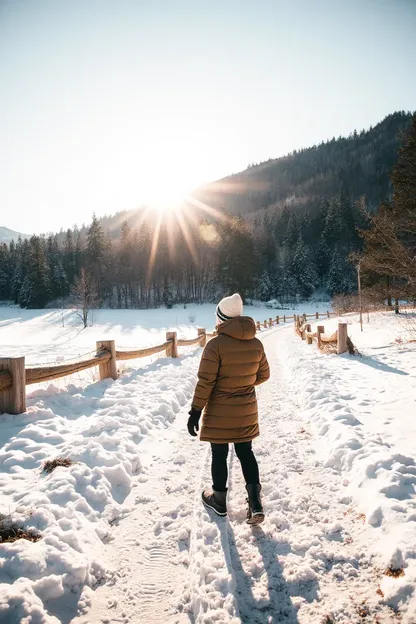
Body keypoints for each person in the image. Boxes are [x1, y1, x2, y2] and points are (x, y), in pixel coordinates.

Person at [187, 293, 270, 525]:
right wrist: (242, 383)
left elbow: (206, 382)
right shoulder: (256, 343)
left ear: (221, 318)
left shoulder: (215, 345)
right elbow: (264, 374)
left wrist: (195, 411)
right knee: (246, 453)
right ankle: (255, 504)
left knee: (219, 453)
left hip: (220, 410)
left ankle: (219, 501)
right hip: (245, 408)